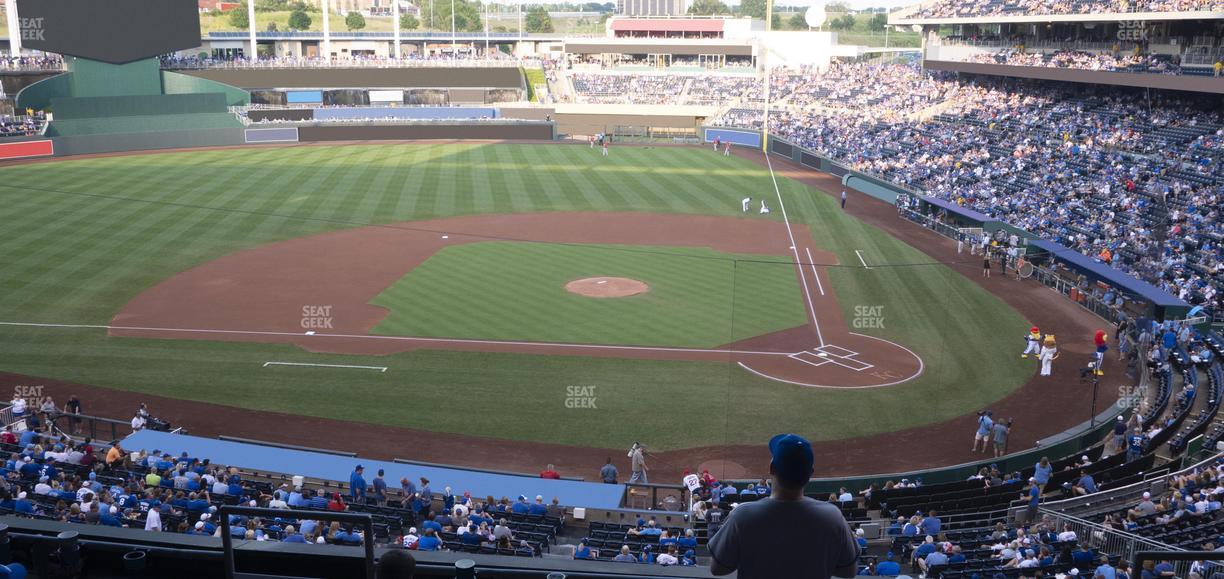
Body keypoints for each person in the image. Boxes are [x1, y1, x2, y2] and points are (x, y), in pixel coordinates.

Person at [708, 433, 859, 578]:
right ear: (810, 473)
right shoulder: (832, 517)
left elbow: (717, 568)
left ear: (772, 468)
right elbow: (849, 571)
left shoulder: (742, 515)